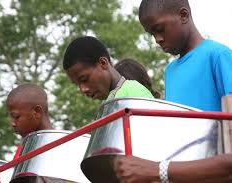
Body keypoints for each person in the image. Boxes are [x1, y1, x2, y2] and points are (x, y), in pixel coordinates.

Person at [114, 0, 232, 182]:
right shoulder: (170, 72)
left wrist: (157, 170)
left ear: (183, 15)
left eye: (160, 28)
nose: (157, 39)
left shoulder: (218, 55)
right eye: (151, 34)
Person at [63, 36, 154, 101]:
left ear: (103, 63)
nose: (83, 89)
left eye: (84, 79)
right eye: (77, 84)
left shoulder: (133, 94)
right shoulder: (108, 104)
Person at [6, 83, 53, 159]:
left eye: (16, 117)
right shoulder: (22, 150)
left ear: (37, 112)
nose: (12, 123)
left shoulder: (64, 144)